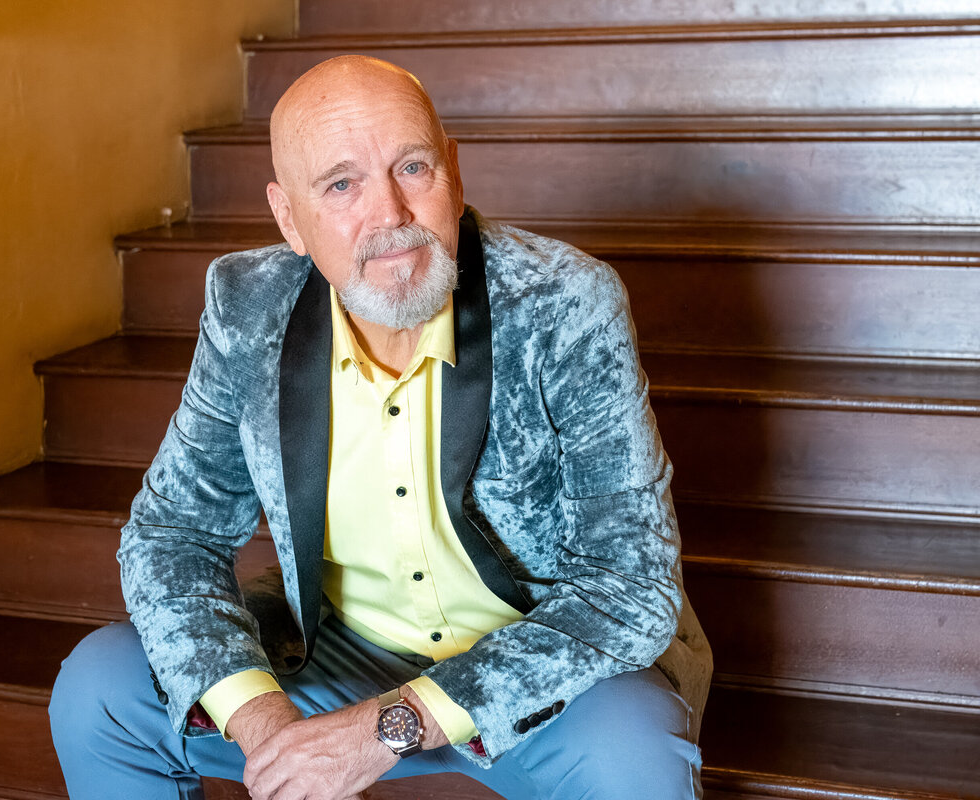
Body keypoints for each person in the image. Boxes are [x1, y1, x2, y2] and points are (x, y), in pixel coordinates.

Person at [49, 55, 712, 800]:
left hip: (541, 671)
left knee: (635, 754)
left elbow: (629, 586)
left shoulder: (565, 303)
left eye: (413, 168)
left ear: (453, 174)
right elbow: (173, 535)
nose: (390, 216)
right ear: (288, 218)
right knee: (100, 687)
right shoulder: (249, 306)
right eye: (341, 184)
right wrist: (267, 729)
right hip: (334, 647)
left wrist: (385, 730)